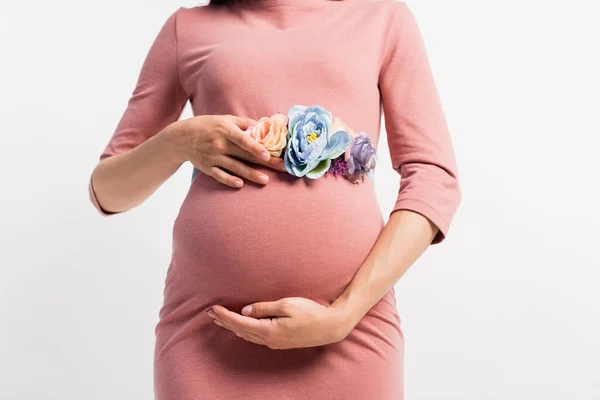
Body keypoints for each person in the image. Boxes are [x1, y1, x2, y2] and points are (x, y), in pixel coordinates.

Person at [87, 0, 461, 398]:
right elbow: (108, 192)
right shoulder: (188, 28)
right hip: (208, 336)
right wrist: (179, 141)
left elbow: (434, 177)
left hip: (353, 332)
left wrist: (344, 314)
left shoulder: (383, 17)